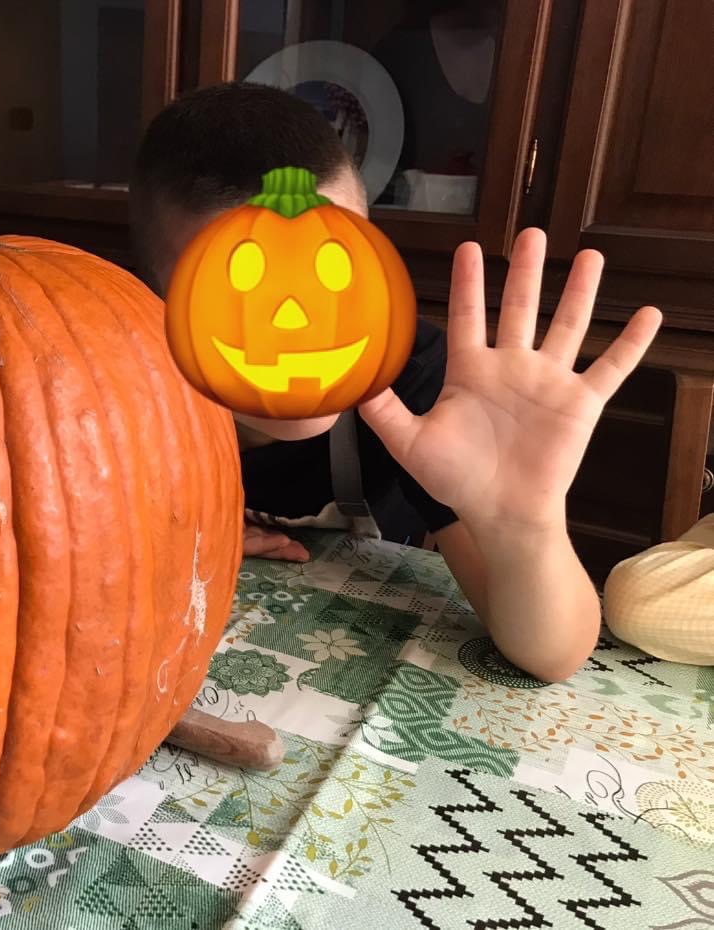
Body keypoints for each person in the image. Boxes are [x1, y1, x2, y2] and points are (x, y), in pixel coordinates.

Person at [130, 83, 662, 682]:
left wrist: (524, 524)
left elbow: (549, 654)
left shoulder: (432, 384)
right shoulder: (114, 385)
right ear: (151, 303)